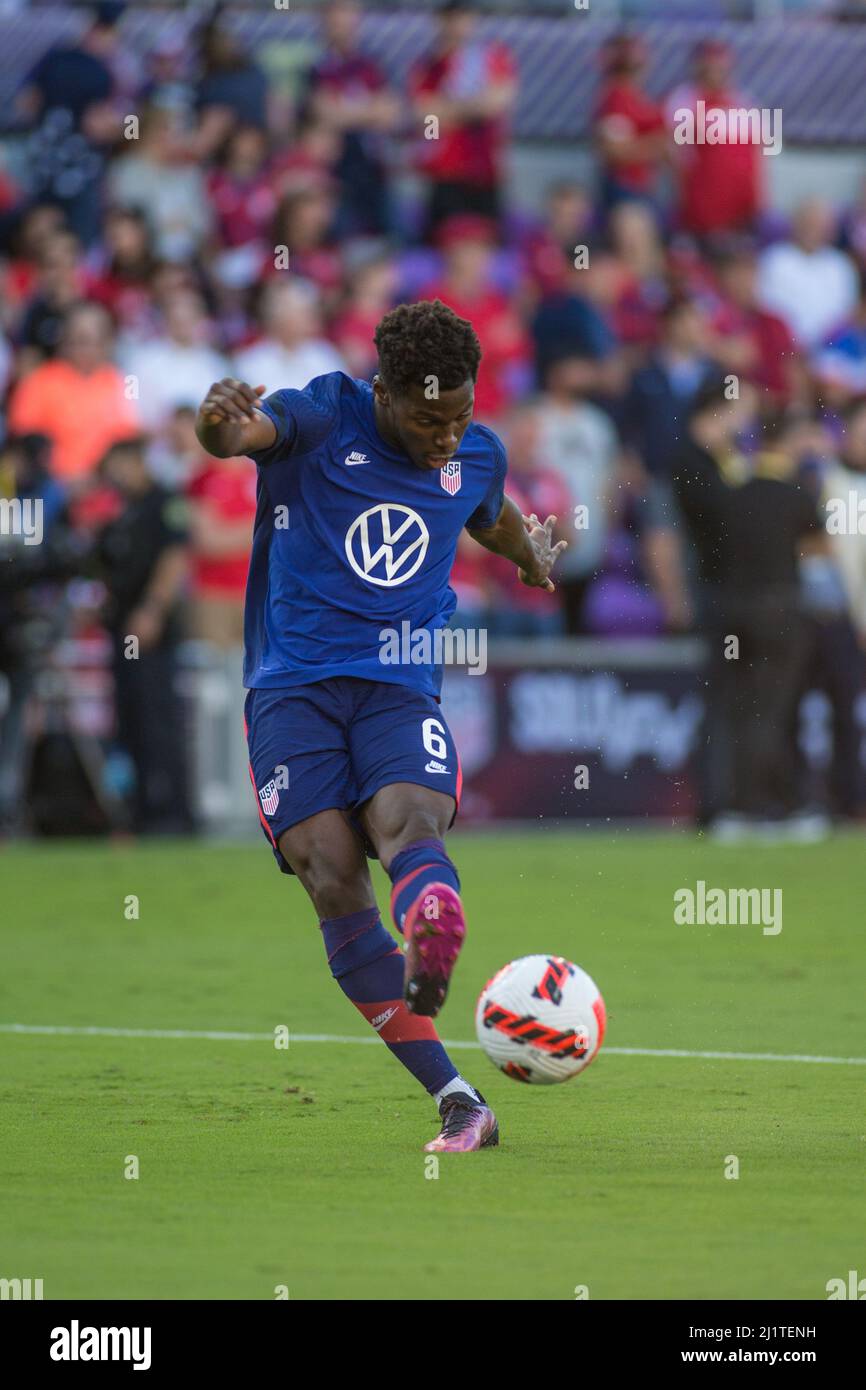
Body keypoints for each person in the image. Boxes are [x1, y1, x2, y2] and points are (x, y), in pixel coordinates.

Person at [194, 298, 566, 1152]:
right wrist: (219, 425)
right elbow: (242, 436)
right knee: (328, 870)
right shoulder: (323, 414)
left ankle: (432, 911)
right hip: (293, 687)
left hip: (398, 685)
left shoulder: (474, 452)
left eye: (460, 417)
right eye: (428, 419)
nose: (446, 436)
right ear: (385, 394)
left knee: (410, 821)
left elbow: (489, 511)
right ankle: (461, 1100)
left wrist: (529, 557)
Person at [672, 380, 825, 837]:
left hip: (730, 608)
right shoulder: (797, 493)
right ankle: (765, 808)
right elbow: (818, 554)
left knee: (733, 707)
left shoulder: (733, 490)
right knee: (773, 710)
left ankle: (726, 809)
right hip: (780, 609)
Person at [96, 435, 194, 835]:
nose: (116, 475)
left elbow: (175, 558)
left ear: (138, 462)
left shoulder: (162, 502)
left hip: (152, 635)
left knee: (160, 721)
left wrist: (152, 609)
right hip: (121, 632)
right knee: (130, 720)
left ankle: (174, 812)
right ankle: (140, 811)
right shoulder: (123, 510)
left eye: (121, 464)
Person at [409, 0, 517, 239]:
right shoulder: (428, 66)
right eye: (451, 18)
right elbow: (426, 120)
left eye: (463, 18)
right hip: (445, 173)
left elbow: (497, 103)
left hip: (484, 171)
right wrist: (473, 107)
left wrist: (446, 109)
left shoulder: (492, 58)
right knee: (441, 244)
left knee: (488, 247)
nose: (457, 26)